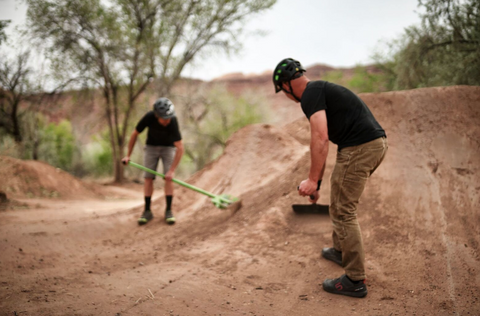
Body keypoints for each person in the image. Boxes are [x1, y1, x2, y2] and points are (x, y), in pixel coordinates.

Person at [273, 58, 388, 298]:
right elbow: (321, 143)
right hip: (369, 145)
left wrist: (312, 181)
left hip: (360, 147)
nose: (285, 96)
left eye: (282, 92)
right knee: (338, 202)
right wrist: (318, 183)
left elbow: (321, 138)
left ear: (286, 85)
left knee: (344, 210)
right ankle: (340, 250)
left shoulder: (310, 94)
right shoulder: (318, 90)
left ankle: (355, 279)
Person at [122, 97, 184, 226]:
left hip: (168, 148)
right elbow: (134, 134)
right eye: (164, 118)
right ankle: (147, 211)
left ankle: (168, 211)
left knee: (168, 178)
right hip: (151, 148)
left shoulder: (172, 121)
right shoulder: (149, 117)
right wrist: (128, 155)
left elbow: (180, 148)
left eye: (169, 118)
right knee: (148, 178)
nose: (167, 121)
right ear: (156, 115)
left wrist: (172, 170)